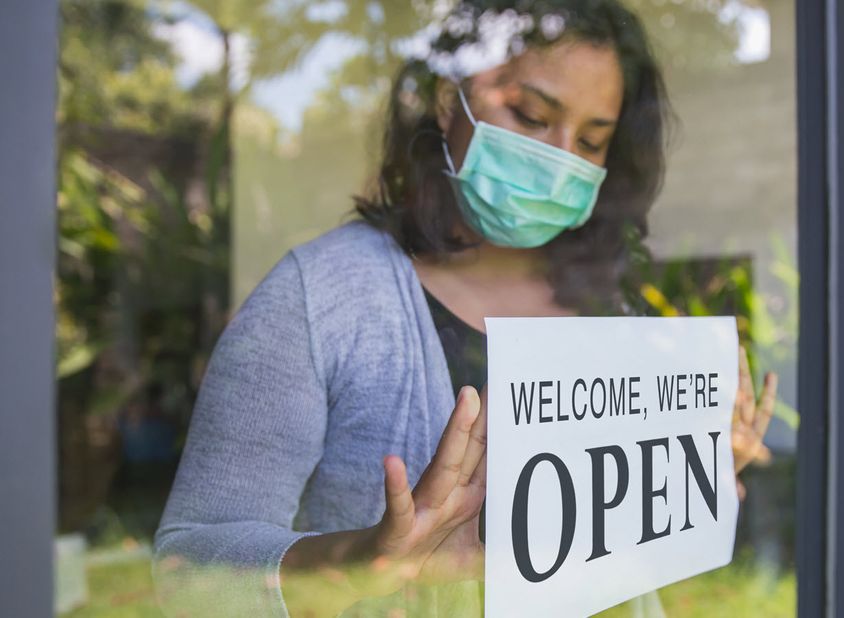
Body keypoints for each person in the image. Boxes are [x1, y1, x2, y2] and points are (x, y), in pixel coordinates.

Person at [153, 1, 777, 616]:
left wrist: (690, 473)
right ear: (449, 99)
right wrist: (358, 562)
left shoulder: (608, 306)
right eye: (533, 117)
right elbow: (188, 574)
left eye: (591, 141)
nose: (560, 159)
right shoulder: (320, 298)